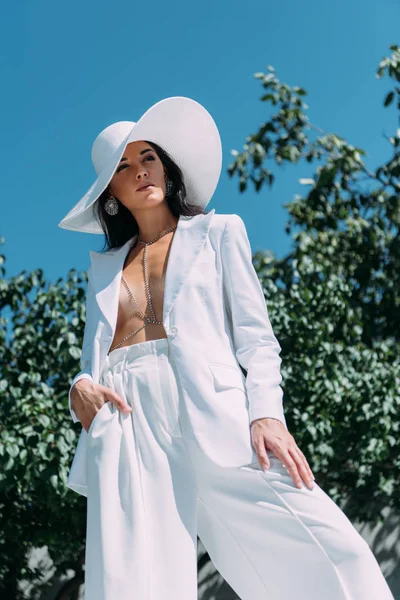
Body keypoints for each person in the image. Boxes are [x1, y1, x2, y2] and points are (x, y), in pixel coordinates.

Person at [58, 96, 394, 600]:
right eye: (124, 167)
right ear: (111, 193)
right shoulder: (102, 271)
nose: (140, 171)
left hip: (213, 407)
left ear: (168, 169)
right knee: (133, 578)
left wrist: (267, 414)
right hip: (127, 413)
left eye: (147, 157)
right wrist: (78, 387)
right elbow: (92, 361)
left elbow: (257, 338)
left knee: (326, 544)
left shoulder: (218, 233)